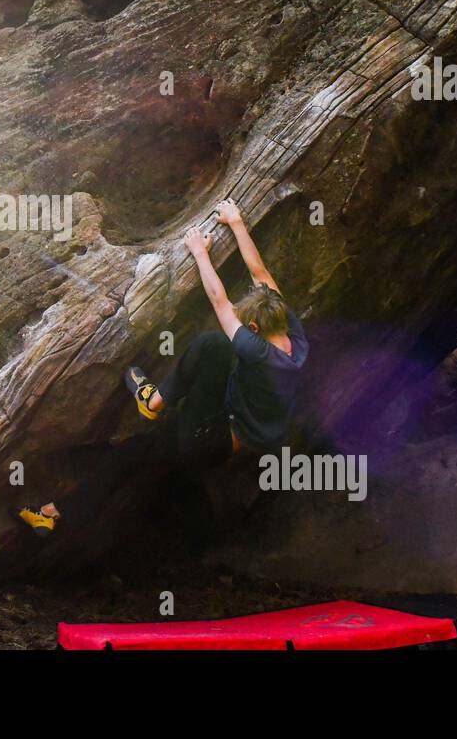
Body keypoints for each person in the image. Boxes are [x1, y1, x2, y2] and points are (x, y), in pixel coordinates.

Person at [16, 198, 308, 536]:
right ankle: (53, 514)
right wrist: (236, 222)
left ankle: (154, 401)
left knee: (212, 345)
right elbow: (261, 273)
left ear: (254, 330)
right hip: (217, 437)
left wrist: (199, 252)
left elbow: (220, 302)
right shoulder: (289, 333)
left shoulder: (256, 350)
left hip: (209, 438)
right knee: (131, 453)